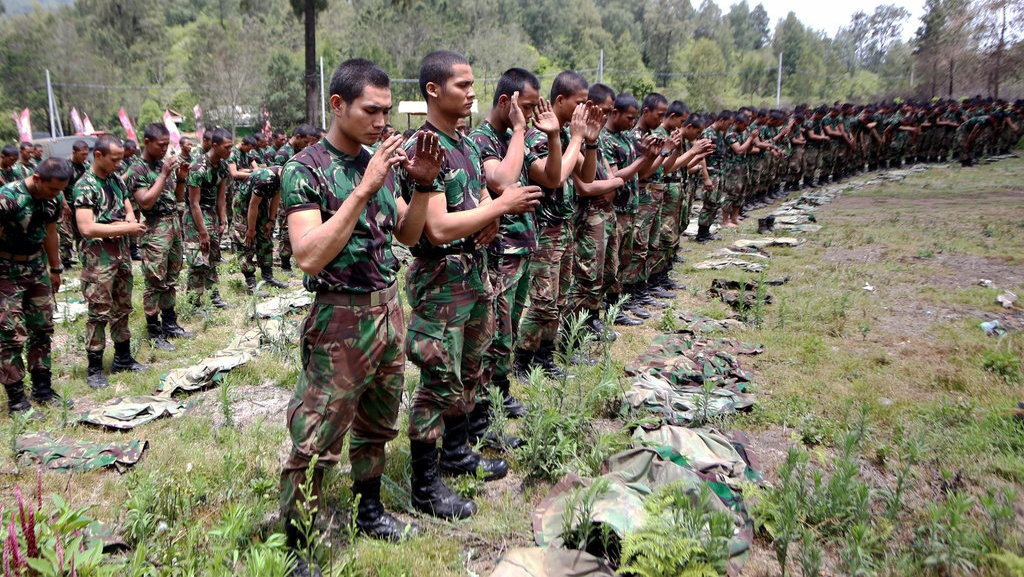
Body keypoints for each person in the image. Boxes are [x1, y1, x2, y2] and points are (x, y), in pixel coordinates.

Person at [278, 59, 443, 568]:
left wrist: (421, 187)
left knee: (377, 422)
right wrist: (365, 187)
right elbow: (308, 253)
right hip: (340, 319)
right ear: (337, 105)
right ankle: (298, 541)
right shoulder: (305, 169)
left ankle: (368, 508)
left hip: (387, 309)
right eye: (371, 110)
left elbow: (409, 235)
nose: (380, 121)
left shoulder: (377, 161)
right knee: (317, 436)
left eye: (386, 111)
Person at [403, 50, 541, 521]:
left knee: (469, 368)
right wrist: (496, 211)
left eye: (473, 84)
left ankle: (457, 452)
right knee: (438, 377)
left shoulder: (459, 141)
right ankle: (425, 484)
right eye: (462, 85)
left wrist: (485, 215)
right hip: (440, 280)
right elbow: (438, 228)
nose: (472, 93)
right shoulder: (424, 147)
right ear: (433, 91)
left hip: (473, 272)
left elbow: (482, 196)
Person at [468, 67, 561, 423]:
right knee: (496, 332)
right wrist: (522, 130)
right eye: (528, 106)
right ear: (506, 102)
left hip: (521, 247)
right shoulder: (484, 139)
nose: (534, 114)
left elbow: (552, 177)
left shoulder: (513, 138)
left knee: (508, 328)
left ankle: (499, 390)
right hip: (499, 251)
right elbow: (502, 180)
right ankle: (484, 403)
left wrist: (553, 138)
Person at [513, 70, 600, 377]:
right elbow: (557, 176)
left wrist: (589, 143)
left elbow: (585, 178)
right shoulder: (539, 135)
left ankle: (545, 357)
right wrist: (576, 137)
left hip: (562, 229)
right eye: (580, 103)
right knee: (543, 300)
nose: (584, 109)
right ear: (560, 100)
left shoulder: (563, 136)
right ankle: (522, 358)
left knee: (560, 298)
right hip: (541, 231)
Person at [73, 135, 149, 389]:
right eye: (115, 159)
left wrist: (129, 220)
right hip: (99, 257)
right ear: (98, 156)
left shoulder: (116, 179)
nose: (119, 164)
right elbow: (86, 227)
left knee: (123, 305)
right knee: (99, 310)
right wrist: (122, 227)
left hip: (121, 252)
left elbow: (127, 203)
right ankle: (95, 367)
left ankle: (123, 358)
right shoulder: (85, 186)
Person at [0, 157, 73, 414]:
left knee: (42, 329)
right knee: (10, 335)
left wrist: (55, 268)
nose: (56, 194)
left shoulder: (51, 199)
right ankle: (17, 399)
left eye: (60, 190)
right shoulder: (8, 198)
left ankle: (42, 388)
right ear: (38, 179)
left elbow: (51, 232)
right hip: (6, 272)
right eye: (53, 189)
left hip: (36, 269)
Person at [125, 123, 194, 352]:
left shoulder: (162, 165)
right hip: (155, 228)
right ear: (147, 142)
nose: (165, 149)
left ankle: (170, 323)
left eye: (167, 145)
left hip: (173, 224)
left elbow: (175, 197)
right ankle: (154, 332)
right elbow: (145, 201)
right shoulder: (138, 169)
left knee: (172, 276)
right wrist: (164, 173)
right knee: (155, 280)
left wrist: (181, 179)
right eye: (161, 145)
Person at [184, 127, 233, 309]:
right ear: (215, 145)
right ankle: (193, 303)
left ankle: (214, 296)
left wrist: (223, 220)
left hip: (212, 215)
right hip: (195, 218)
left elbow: (221, 198)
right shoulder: (198, 168)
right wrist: (203, 232)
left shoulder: (223, 167)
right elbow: (193, 203)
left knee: (212, 257)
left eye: (231, 147)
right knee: (198, 259)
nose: (230, 151)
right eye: (227, 147)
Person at [233, 166, 287, 292]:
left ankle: (268, 276)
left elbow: (276, 198)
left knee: (265, 237)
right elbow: (252, 205)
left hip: (260, 203)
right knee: (246, 241)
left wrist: (271, 220)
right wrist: (251, 229)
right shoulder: (265, 180)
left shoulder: (282, 177)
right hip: (244, 205)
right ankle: (251, 283)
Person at [274, 124, 319, 273]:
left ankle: (293, 258)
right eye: (305, 142)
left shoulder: (297, 151)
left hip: (297, 195)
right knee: (286, 230)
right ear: (298, 137)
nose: (307, 146)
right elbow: (277, 175)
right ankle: (285, 263)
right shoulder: (283, 153)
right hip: (284, 197)